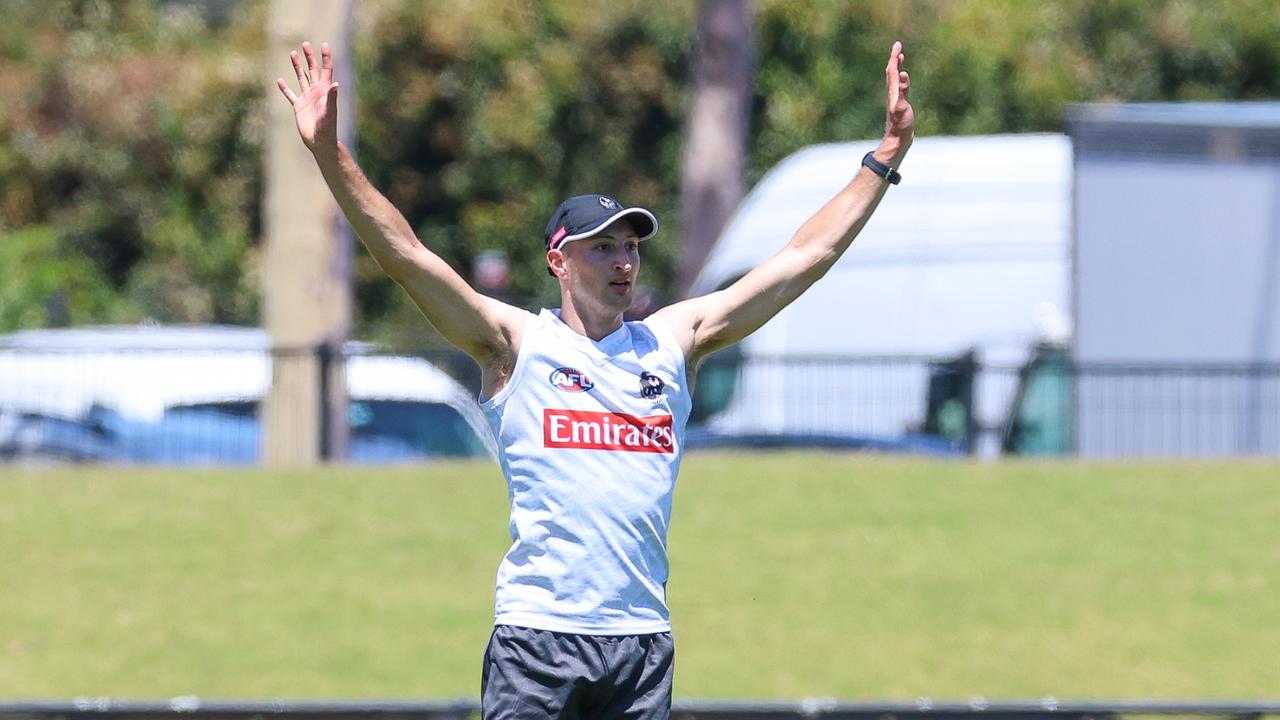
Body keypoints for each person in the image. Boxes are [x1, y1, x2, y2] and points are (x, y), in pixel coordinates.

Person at [277, 37, 914, 720]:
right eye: (603, 246)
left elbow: (804, 258)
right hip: (538, 641)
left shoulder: (673, 343)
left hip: (641, 647)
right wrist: (328, 154)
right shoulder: (515, 345)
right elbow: (405, 256)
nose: (623, 262)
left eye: (632, 247)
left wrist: (882, 159)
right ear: (559, 259)